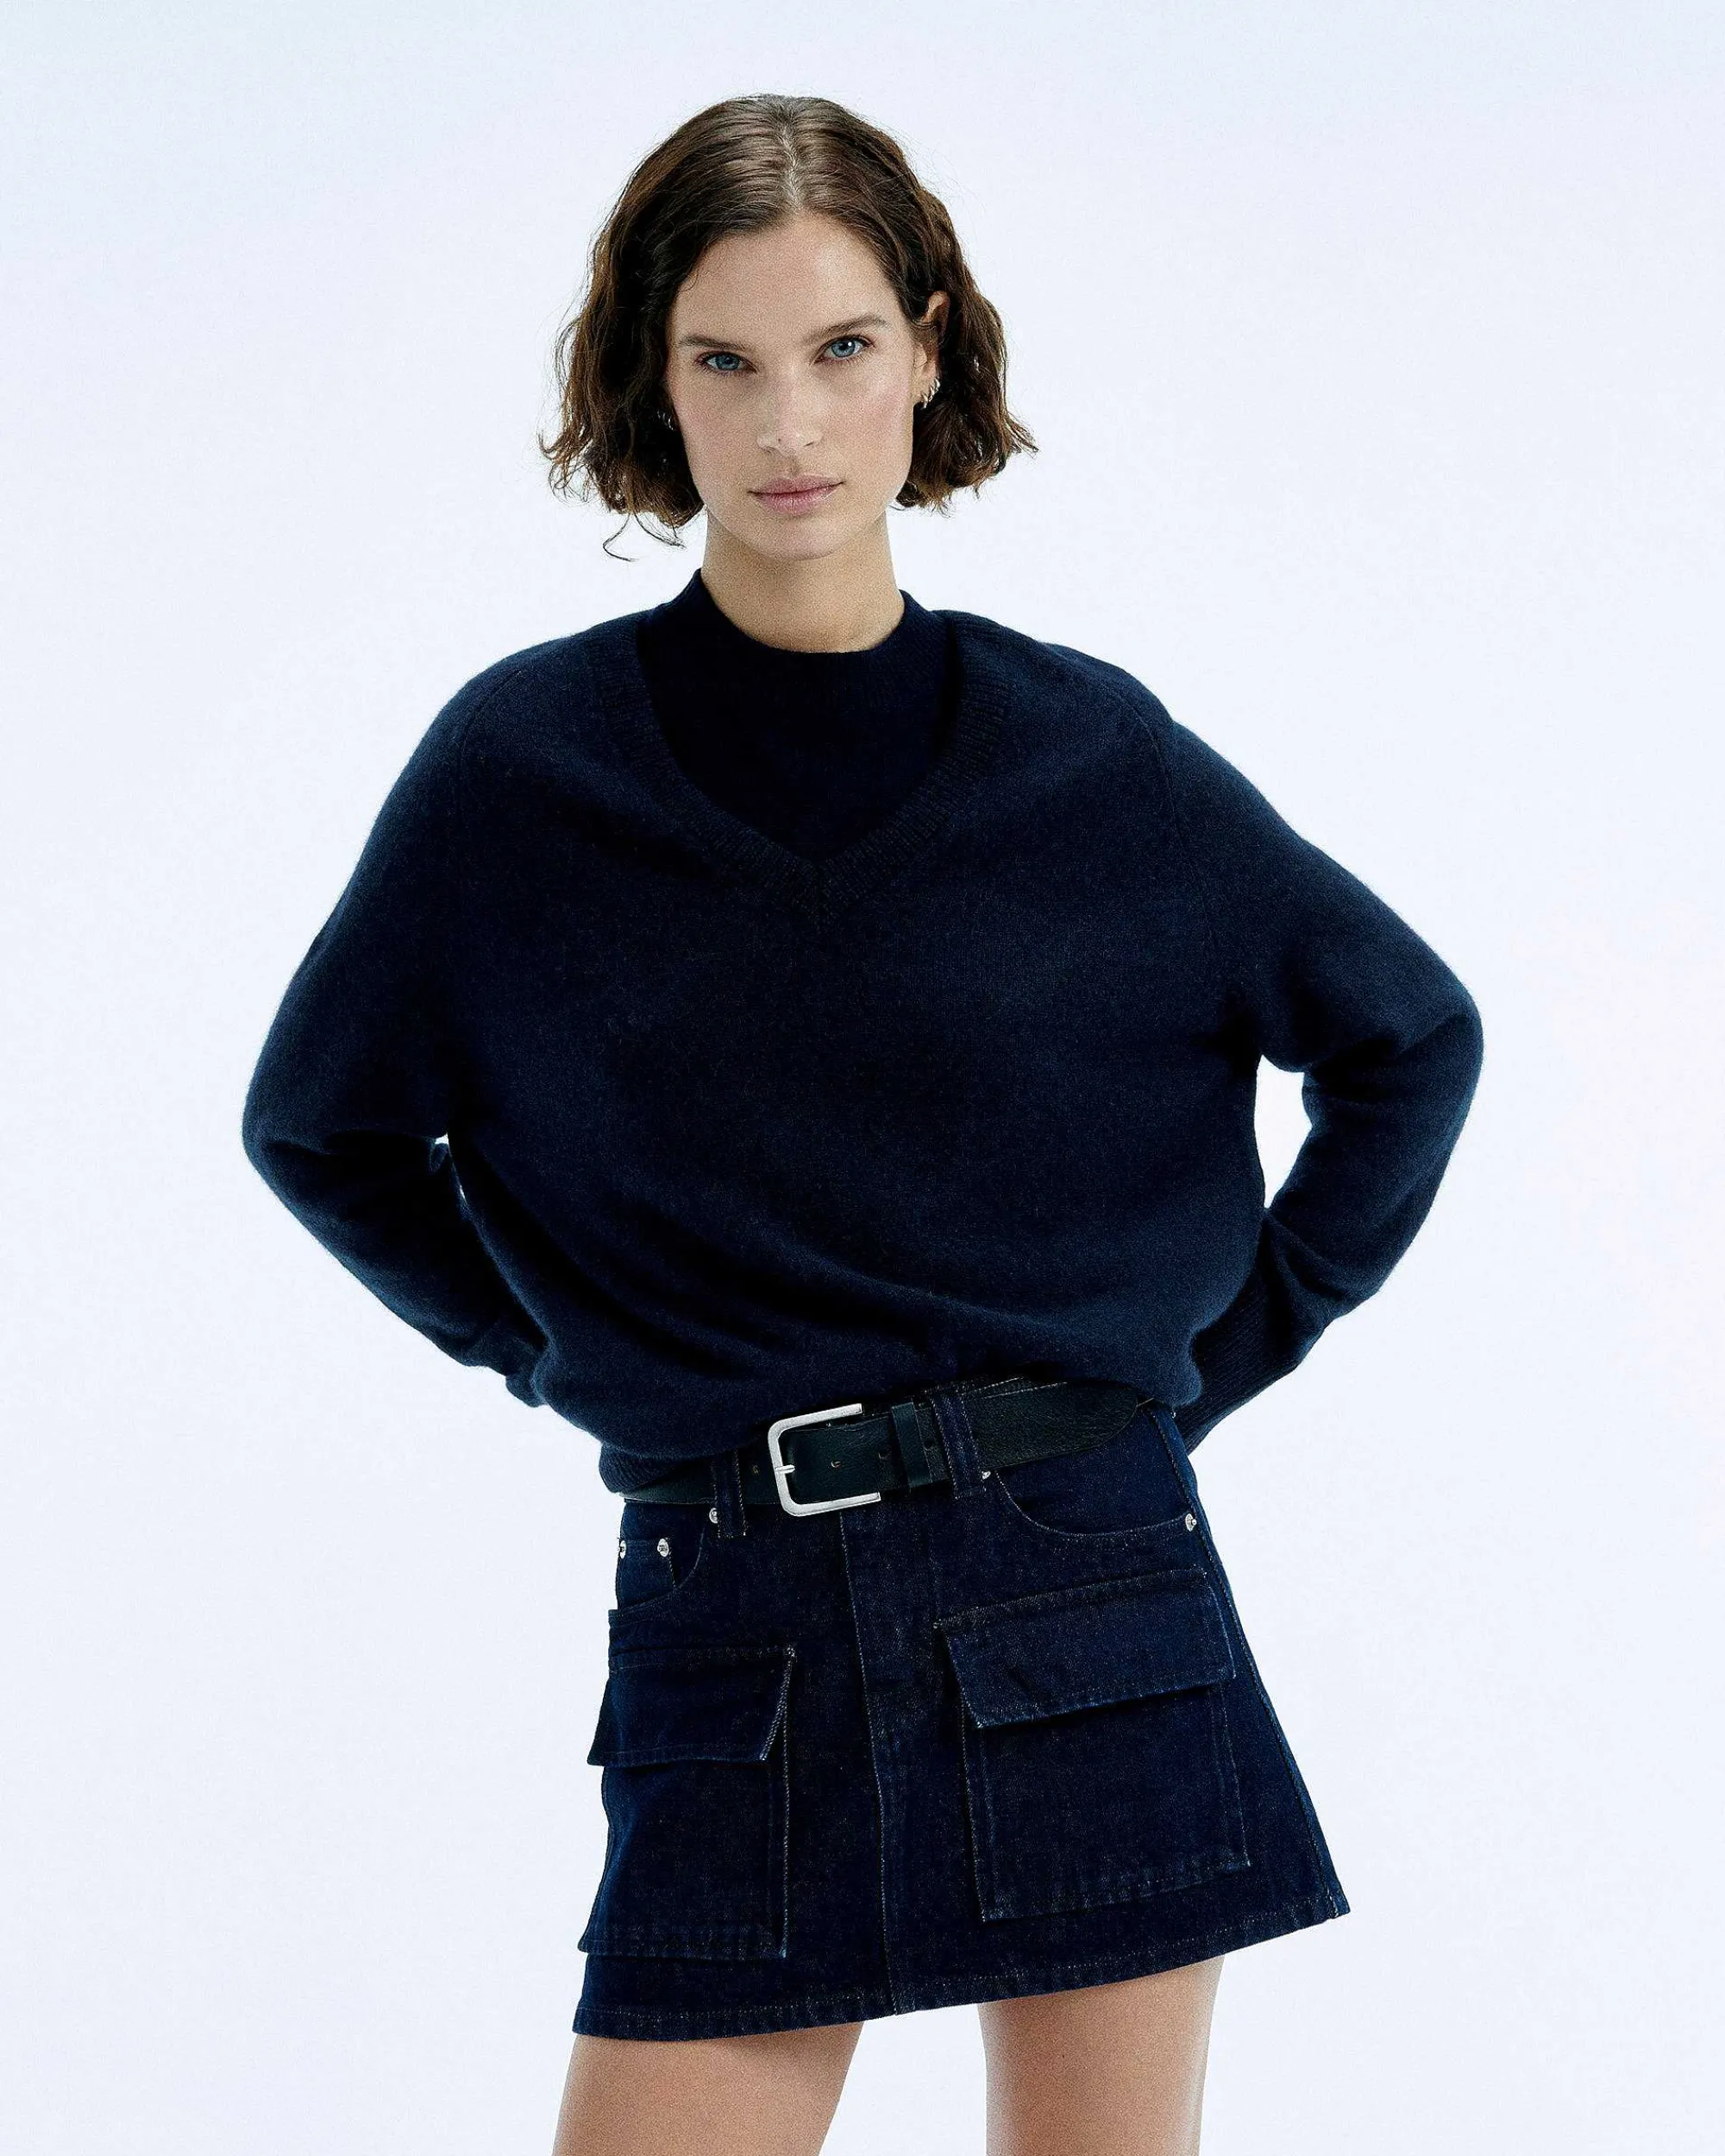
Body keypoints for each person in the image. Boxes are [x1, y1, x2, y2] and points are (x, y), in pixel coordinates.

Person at [241, 91, 1485, 2156]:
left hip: (1084, 1571)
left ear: (926, 349)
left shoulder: (1086, 753)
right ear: (653, 382)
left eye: (837, 348)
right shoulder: (523, 771)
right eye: (723, 359)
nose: (788, 422)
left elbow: (1406, 1035)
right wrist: (551, 1350)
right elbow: (323, 1125)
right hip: (735, 1600)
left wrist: (1213, 1356)